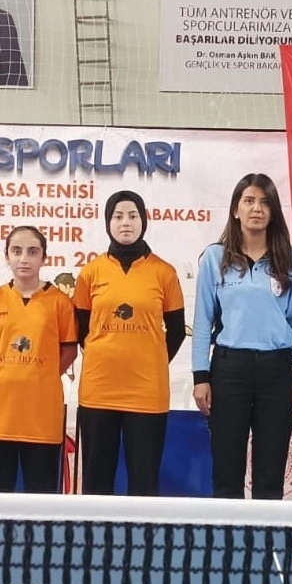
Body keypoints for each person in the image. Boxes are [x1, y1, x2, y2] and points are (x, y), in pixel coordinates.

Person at [193, 174, 292, 500]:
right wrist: (201, 377)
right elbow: (202, 321)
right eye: (249, 201)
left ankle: (266, 534)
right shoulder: (215, 258)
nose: (256, 208)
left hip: (277, 371)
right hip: (230, 370)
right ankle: (228, 535)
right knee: (226, 473)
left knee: (270, 476)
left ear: (273, 212)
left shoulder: (290, 257)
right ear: (235, 210)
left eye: (264, 202)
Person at [72, 191, 185, 496]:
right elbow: (81, 329)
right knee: (96, 481)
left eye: (133, 216)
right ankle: (96, 530)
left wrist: (150, 359)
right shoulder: (90, 273)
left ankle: (140, 531)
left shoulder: (164, 272)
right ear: (107, 222)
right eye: (118, 216)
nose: (125, 223)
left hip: (146, 392)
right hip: (99, 390)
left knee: (144, 481)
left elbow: (176, 331)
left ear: (143, 221)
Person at [0, 226, 78, 492]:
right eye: (17, 251)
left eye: (32, 252)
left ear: (44, 258)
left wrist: (41, 373)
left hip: (41, 413)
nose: (24, 259)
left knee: (41, 498)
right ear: (6, 256)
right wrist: (4, 369)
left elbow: (69, 351)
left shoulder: (60, 303)